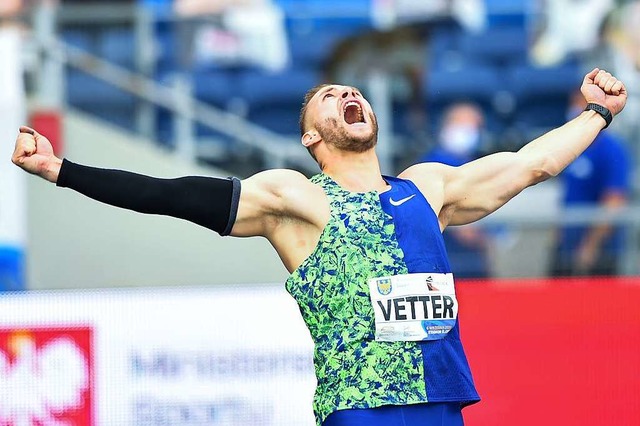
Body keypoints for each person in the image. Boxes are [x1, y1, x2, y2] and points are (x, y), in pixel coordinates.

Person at [11, 68, 627, 426]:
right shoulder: (296, 199)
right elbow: (171, 194)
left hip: (442, 400)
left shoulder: (428, 188)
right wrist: (61, 169)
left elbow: (531, 164)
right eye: (330, 97)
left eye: (351, 92)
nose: (347, 96)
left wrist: (599, 112)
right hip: (362, 407)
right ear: (311, 134)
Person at [551, 89, 631, 276]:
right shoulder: (568, 148)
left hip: (600, 249)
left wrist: (591, 244)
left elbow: (614, 202)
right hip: (567, 245)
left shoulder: (612, 150)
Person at [419, 102, 490, 278]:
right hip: (445, 261)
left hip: (474, 263)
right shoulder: (430, 165)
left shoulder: (475, 163)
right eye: (460, 125)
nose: (466, 132)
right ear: (446, 127)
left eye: (473, 127)